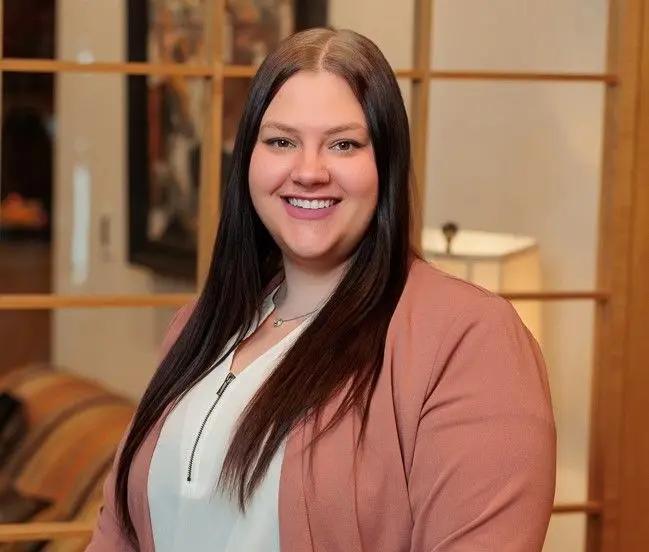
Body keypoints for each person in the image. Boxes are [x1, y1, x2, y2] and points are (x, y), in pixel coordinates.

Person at [86, 27, 556, 552]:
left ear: (386, 164)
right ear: (248, 160)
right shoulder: (198, 327)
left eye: (344, 144)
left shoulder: (468, 339)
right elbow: (118, 532)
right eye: (282, 141)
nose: (308, 171)